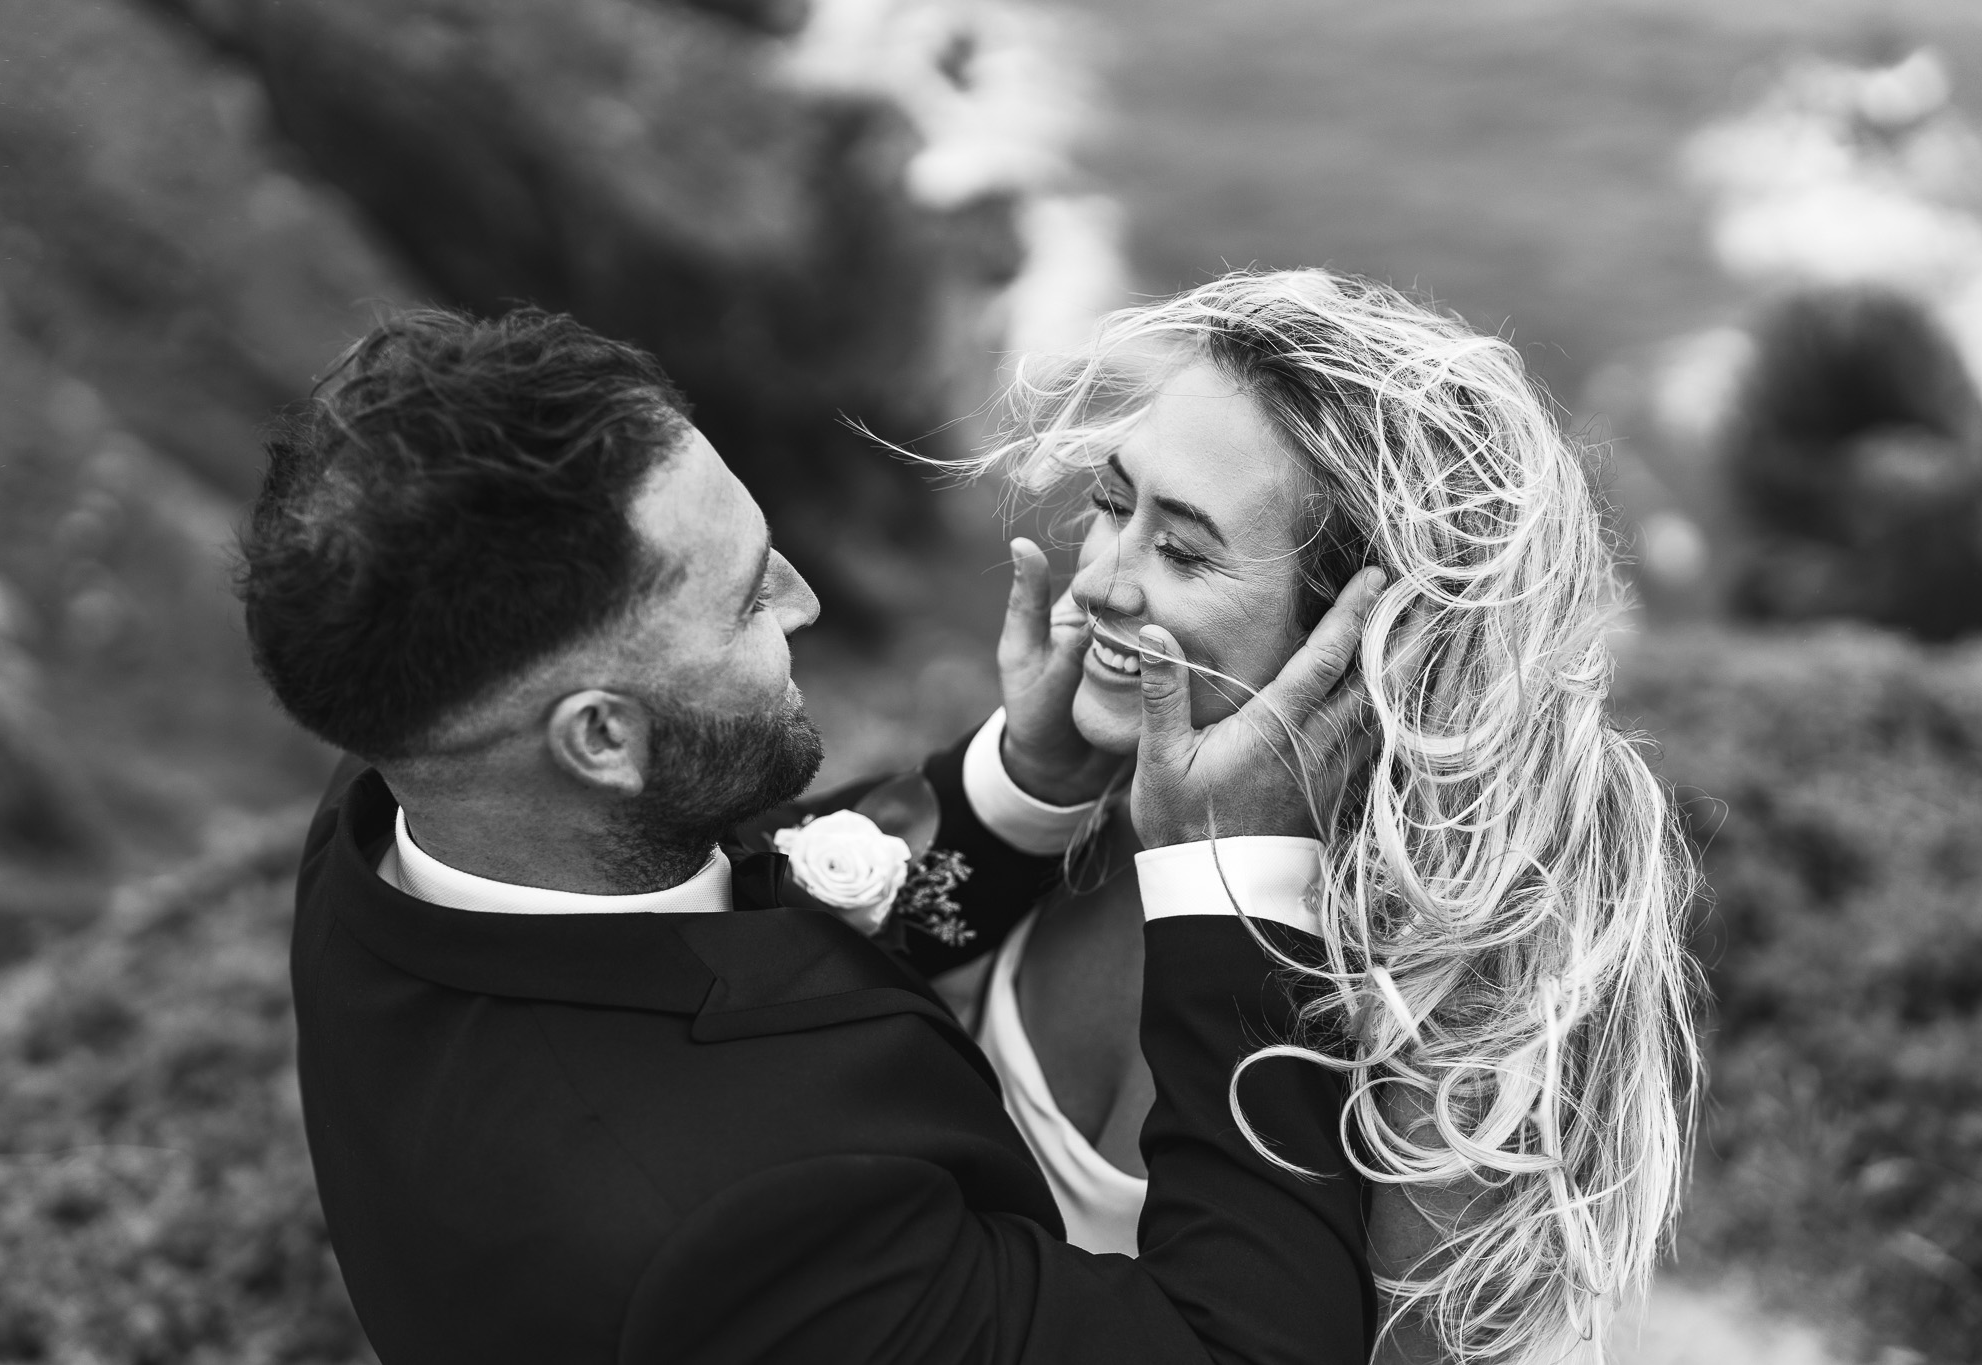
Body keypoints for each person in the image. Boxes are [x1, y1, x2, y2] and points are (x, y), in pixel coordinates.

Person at [238, 306, 1386, 1364]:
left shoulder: (407, 806)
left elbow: (742, 944)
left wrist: (1027, 779)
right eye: (745, 600)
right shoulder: (731, 1233)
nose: (803, 602)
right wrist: (1229, 876)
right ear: (599, 740)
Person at [938, 269, 1705, 1364]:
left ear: (1366, 634)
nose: (1105, 578)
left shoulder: (1457, 986)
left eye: (1185, 549)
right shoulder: (1093, 771)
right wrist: (1025, 776)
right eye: (1114, 503)